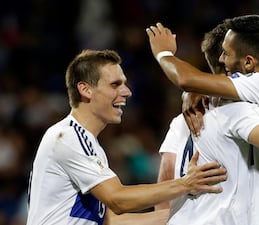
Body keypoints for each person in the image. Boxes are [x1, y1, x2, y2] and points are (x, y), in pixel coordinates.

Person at [146, 14, 259, 224]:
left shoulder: (252, 96)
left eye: (227, 53)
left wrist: (163, 53)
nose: (223, 59)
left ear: (248, 62)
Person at [26, 49, 228, 225]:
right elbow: (118, 199)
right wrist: (184, 184)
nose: (127, 92)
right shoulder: (68, 136)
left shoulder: (85, 141)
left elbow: (111, 221)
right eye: (115, 85)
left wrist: (191, 213)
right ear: (85, 89)